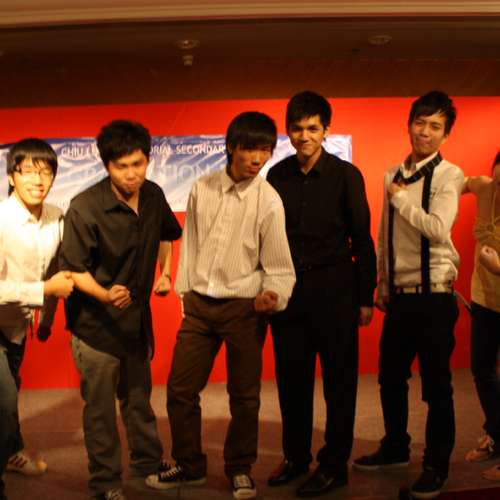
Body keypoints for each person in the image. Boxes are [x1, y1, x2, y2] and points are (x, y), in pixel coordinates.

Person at [145, 111, 296, 499]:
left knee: (244, 396)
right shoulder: (202, 187)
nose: (257, 158)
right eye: (250, 148)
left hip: (244, 308)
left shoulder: (269, 200)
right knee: (180, 390)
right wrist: (184, 295)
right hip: (199, 306)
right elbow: (191, 246)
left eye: (265, 150)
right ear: (231, 147)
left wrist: (273, 295)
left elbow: (280, 267)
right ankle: (189, 465)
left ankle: (240, 468)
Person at [59, 120, 182, 500]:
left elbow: (166, 235)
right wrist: (103, 294)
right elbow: (73, 269)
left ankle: (148, 464)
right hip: (95, 328)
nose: (131, 174)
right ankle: (105, 483)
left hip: (135, 325)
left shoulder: (154, 195)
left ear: (148, 160)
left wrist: (165, 273)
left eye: (137, 164)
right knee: (100, 413)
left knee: (138, 400)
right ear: (107, 165)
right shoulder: (84, 207)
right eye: (122, 166)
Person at [353, 91, 464, 499]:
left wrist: (400, 199)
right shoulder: (392, 174)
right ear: (409, 125)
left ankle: (436, 465)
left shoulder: (450, 175)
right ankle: (396, 446)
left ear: (445, 135)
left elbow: (438, 228)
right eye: (420, 122)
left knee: (437, 387)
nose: (425, 132)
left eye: (435, 126)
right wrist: (383, 284)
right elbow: (385, 234)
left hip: (434, 295)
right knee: (390, 377)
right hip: (399, 295)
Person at [266, 90, 377, 498]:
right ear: (288, 131)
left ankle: (334, 466)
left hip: (336, 291)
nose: (304, 136)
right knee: (291, 382)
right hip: (289, 293)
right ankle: (296, 458)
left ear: (326, 130)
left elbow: (361, 238)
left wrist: (365, 296)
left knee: (339, 384)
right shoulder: (276, 176)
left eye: (313, 128)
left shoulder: (347, 175)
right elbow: (267, 237)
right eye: (297, 128)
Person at [0, 138, 74, 500]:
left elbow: (59, 268)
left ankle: (11, 452)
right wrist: (43, 289)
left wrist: (46, 320)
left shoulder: (57, 216)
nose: (38, 179)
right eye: (28, 171)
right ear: (11, 176)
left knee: (9, 393)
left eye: (45, 172)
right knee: (3, 399)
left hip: (17, 325)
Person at [463, 152, 500, 480]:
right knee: (483, 370)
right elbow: (456, 181)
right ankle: (497, 435)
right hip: (484, 300)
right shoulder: (486, 187)